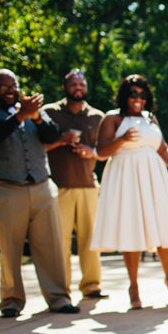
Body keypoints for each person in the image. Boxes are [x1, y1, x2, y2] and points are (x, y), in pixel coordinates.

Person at [0, 69, 79, 318]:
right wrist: (21, 115)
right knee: (10, 248)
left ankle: (59, 298)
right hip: (6, 188)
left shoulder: (34, 113)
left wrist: (38, 119)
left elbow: (53, 135)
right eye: (3, 86)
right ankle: (11, 301)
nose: (10, 90)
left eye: (14, 86)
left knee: (51, 245)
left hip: (41, 186)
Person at [92, 75, 168, 309]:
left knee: (162, 225)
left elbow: (163, 147)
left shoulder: (151, 118)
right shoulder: (113, 118)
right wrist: (122, 139)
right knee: (132, 227)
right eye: (133, 94)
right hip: (125, 176)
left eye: (142, 94)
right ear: (124, 96)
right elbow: (101, 151)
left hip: (154, 175)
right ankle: (134, 286)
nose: (138, 99)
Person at [43, 69, 108, 300]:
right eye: (73, 83)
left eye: (81, 83)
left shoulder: (97, 116)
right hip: (58, 186)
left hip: (89, 186)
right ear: (64, 87)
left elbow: (105, 152)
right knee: (59, 241)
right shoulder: (48, 112)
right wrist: (60, 141)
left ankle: (92, 286)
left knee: (91, 239)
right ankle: (62, 290)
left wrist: (92, 153)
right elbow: (36, 147)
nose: (78, 87)